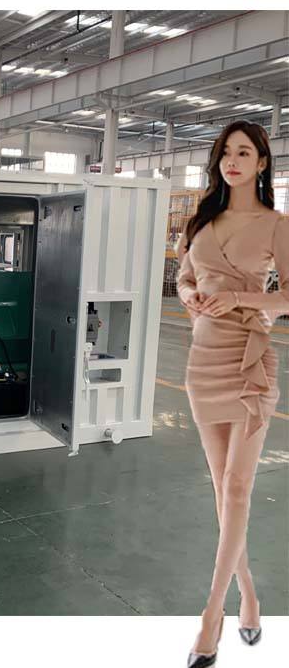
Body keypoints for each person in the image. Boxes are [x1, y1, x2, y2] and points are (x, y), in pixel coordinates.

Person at [175, 120, 288, 667]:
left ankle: (211, 614)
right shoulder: (201, 220)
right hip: (203, 360)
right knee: (222, 491)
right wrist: (191, 295)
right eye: (226, 153)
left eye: (244, 153)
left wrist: (241, 299)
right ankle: (249, 597)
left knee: (238, 488)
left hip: (249, 363)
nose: (233, 161)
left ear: (262, 163)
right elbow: (183, 277)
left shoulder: (277, 225)